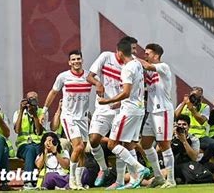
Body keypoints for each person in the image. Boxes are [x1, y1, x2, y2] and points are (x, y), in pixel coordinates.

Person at [97, 39, 150, 190]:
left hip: (129, 111)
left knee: (112, 144)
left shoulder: (127, 68)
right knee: (129, 145)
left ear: (120, 53)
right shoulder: (138, 65)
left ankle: (139, 169)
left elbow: (126, 92)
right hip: (138, 109)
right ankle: (134, 180)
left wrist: (107, 100)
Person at [42, 50, 94, 190]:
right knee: (78, 146)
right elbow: (53, 92)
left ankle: (78, 182)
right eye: (73, 59)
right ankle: (71, 181)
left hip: (83, 118)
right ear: (69, 62)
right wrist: (45, 110)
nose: (76, 61)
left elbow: (101, 86)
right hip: (69, 116)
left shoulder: (89, 76)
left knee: (81, 151)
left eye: (78, 59)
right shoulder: (63, 76)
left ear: (82, 60)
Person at [86, 37, 128, 187]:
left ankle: (120, 181)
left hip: (120, 110)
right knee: (93, 140)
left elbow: (132, 91)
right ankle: (103, 169)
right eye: (132, 49)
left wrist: (120, 101)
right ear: (120, 50)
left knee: (118, 144)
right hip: (103, 108)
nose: (133, 53)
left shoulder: (131, 66)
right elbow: (89, 76)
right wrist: (98, 83)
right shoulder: (106, 56)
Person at [139, 43, 176, 188]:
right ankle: (159, 176)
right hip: (151, 112)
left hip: (163, 111)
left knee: (164, 144)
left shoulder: (163, 67)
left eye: (147, 53)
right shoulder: (149, 71)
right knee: (146, 144)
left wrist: (131, 57)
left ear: (156, 55)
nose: (145, 55)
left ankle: (171, 179)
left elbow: (147, 66)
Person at [174, 87, 214, 166]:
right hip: (186, 134)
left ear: (201, 98)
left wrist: (192, 109)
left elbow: (201, 121)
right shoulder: (184, 104)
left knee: (213, 144)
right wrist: (184, 102)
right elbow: (175, 116)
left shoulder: (205, 107)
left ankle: (201, 164)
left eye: (198, 96)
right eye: (193, 96)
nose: (195, 98)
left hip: (200, 136)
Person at [13, 91, 45, 189]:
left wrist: (34, 115)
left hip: (38, 144)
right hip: (23, 145)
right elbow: (17, 130)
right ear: (26, 100)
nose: (32, 100)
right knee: (30, 150)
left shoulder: (41, 112)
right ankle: (28, 181)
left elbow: (39, 132)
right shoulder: (18, 113)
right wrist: (22, 110)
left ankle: (37, 182)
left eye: (35, 98)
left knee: (37, 150)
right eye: (30, 98)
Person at [170, 115, 200, 183]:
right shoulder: (171, 137)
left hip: (186, 166)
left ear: (189, 127)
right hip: (171, 164)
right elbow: (158, 150)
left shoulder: (193, 139)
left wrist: (184, 141)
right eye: (179, 124)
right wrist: (170, 136)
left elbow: (194, 158)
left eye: (184, 124)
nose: (181, 127)